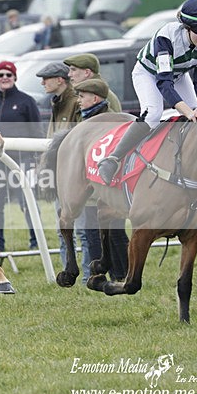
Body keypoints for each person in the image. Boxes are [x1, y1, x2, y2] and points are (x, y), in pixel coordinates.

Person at [97, 0, 197, 185]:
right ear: (187, 26)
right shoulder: (166, 37)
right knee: (153, 114)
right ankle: (112, 159)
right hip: (149, 74)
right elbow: (164, 83)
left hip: (178, 75)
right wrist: (189, 112)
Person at [36, 62, 92, 280]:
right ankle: (68, 271)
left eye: (46, 78)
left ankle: (87, 275)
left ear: (60, 80)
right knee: (64, 228)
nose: (42, 82)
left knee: (81, 230)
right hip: (60, 173)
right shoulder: (57, 101)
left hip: (75, 176)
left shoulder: (75, 101)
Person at [0, 60, 42, 252]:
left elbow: (37, 132)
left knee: (27, 202)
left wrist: (36, 159)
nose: (5, 78)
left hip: (22, 159)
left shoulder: (26, 101)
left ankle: (36, 241)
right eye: (1, 75)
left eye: (8, 75)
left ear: (15, 77)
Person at [73, 78, 127, 280]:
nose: (78, 100)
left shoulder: (109, 120)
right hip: (94, 183)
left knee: (116, 232)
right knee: (104, 233)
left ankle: (123, 274)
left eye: (82, 96)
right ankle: (114, 274)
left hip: (111, 184)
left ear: (94, 98)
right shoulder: (87, 118)